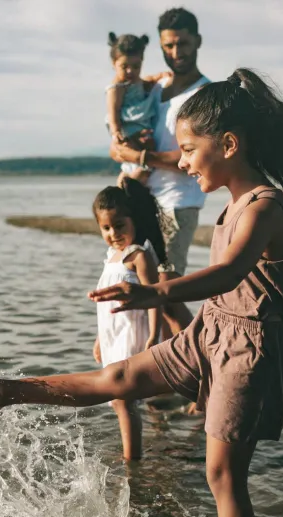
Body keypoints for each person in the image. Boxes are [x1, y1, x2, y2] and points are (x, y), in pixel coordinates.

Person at [0, 68, 283, 517]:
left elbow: (228, 273)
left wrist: (153, 292)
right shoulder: (232, 203)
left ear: (229, 145)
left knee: (222, 475)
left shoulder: (264, 206)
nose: (184, 163)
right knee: (120, 375)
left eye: (189, 150)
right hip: (212, 329)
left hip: (250, 350)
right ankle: (6, 391)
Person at [111, 7, 210, 338]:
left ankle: (208, 362)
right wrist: (121, 148)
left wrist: (140, 156)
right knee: (142, 291)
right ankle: (167, 381)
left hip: (179, 202)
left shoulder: (204, 94)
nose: (176, 52)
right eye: (168, 46)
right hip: (143, 199)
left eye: (182, 44)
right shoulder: (155, 87)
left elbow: (196, 153)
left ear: (197, 42)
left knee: (166, 295)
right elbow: (123, 116)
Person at [91, 178, 170, 460]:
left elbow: (155, 298)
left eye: (119, 225)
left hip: (133, 335)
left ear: (132, 220)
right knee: (117, 400)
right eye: (106, 228)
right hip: (113, 336)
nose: (113, 234)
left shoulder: (138, 256)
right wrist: (100, 338)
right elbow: (105, 305)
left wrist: (153, 335)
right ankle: (151, 440)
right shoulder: (111, 256)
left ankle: (131, 460)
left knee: (123, 400)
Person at [104, 32, 169, 184]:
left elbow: (146, 80)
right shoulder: (116, 88)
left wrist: (159, 76)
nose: (130, 71)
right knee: (140, 161)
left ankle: (128, 180)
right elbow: (113, 113)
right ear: (114, 63)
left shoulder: (137, 81)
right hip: (128, 127)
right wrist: (116, 133)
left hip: (142, 123)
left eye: (136, 66)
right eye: (124, 66)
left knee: (147, 152)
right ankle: (127, 185)